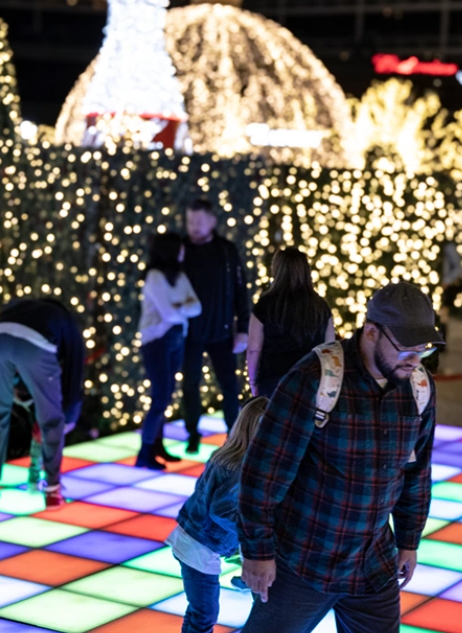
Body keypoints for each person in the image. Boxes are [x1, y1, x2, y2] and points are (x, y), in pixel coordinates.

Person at [200, 282, 439, 633]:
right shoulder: (317, 378)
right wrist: (257, 553)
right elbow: (263, 472)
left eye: (423, 349)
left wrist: (408, 539)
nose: (415, 359)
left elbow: (415, 471)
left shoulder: (418, 387)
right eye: (405, 347)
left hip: (372, 562)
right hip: (303, 557)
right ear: (371, 333)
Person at [167, 396, 268, 633]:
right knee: (205, 613)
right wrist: (253, 532)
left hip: (191, 538)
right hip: (200, 546)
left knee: (198, 611)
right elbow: (222, 512)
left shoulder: (228, 454)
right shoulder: (243, 466)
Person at [0, 296, 84, 508]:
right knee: (51, 420)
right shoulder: (67, 322)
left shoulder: (18, 308)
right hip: (36, 342)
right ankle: (53, 492)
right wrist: (68, 409)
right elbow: (75, 371)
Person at [178, 198, 251, 454]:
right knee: (189, 385)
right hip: (190, 334)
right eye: (190, 221)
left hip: (221, 332)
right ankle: (192, 434)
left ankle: (234, 438)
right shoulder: (181, 249)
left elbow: (242, 290)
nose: (194, 227)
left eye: (198, 221)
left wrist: (243, 328)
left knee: (229, 386)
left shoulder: (226, 251)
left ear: (211, 222)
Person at [137, 232, 202, 470]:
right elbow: (170, 313)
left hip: (176, 339)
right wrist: (181, 307)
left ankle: (157, 446)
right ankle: (144, 452)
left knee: (166, 395)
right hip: (157, 340)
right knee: (160, 396)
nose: (184, 252)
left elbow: (197, 306)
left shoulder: (180, 276)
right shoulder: (154, 277)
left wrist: (180, 307)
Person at [246, 247, 335, 399]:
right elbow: (330, 349)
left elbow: (254, 350)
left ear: (277, 270)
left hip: (274, 381)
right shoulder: (321, 306)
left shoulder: (265, 305)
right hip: (311, 382)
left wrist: (253, 382)